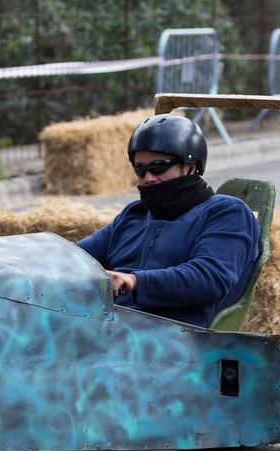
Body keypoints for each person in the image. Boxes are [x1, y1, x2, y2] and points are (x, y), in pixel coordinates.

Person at [76, 114, 260, 329]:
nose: (148, 178)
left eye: (158, 166)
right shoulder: (135, 214)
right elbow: (77, 256)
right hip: (109, 327)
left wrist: (134, 281)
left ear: (190, 166)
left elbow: (209, 278)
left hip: (174, 338)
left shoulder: (226, 213)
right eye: (140, 169)